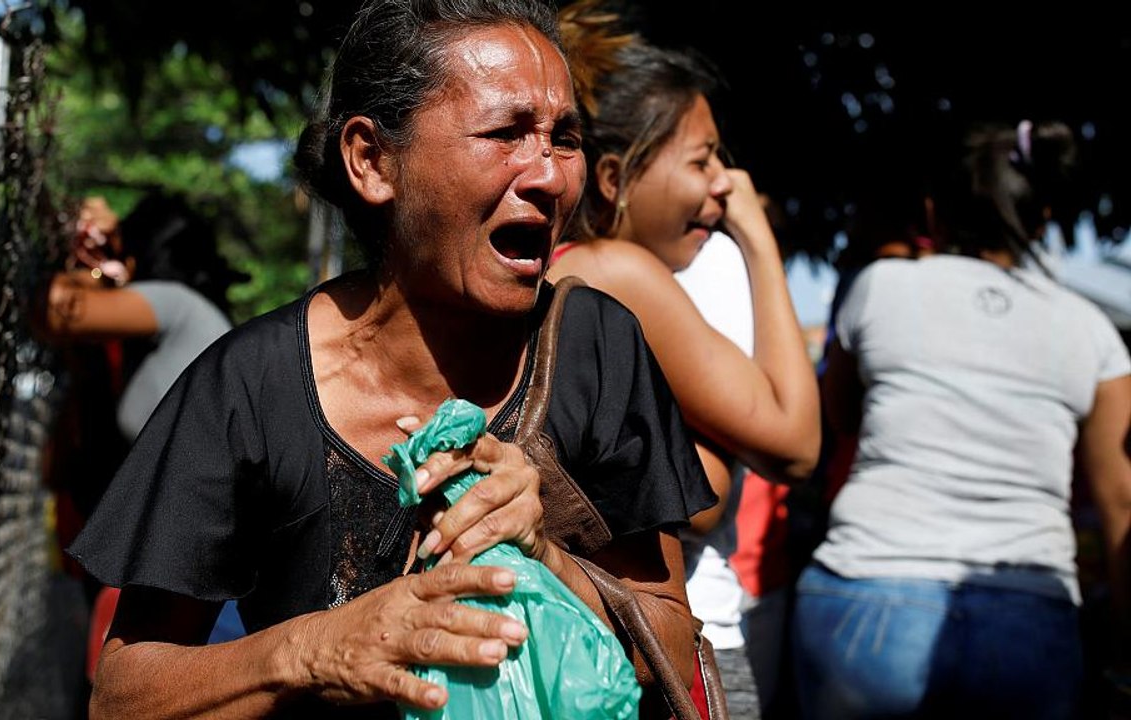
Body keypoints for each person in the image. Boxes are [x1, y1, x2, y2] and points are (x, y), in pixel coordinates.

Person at [66, 1, 715, 717]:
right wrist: (317, 650)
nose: (551, 177)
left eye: (564, 139)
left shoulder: (596, 347)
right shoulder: (247, 389)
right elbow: (122, 699)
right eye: (505, 133)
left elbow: (669, 643)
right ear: (372, 162)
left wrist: (545, 555)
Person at [792, 120, 1131, 719]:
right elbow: (1120, 503)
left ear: (932, 209)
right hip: (1027, 614)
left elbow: (840, 416)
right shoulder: (1092, 331)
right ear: (1042, 216)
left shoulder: (878, 286)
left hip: (865, 597)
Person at [549, 11, 821, 719]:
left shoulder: (552, 270)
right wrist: (759, 241)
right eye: (702, 160)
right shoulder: (623, 273)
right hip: (660, 644)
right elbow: (793, 444)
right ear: (614, 177)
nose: (722, 187)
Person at [37, 191, 249, 676]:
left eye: (121, 253)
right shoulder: (177, 338)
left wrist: (90, 271)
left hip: (203, 586)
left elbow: (55, 307)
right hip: (182, 570)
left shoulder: (178, 306)